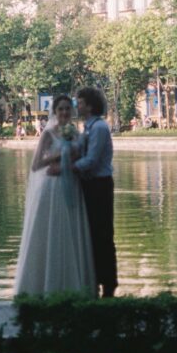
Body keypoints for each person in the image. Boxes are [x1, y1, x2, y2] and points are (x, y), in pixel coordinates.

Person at [13, 94, 96, 296]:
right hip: (51, 189)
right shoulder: (48, 134)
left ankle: (73, 286)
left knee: (71, 232)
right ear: (55, 112)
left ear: (72, 111)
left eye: (68, 108)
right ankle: (44, 286)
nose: (65, 112)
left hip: (72, 186)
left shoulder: (76, 133)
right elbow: (36, 165)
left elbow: (83, 159)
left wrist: (73, 159)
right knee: (51, 232)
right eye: (61, 109)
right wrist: (59, 155)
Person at [73, 87, 118, 298]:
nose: (77, 106)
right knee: (91, 234)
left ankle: (109, 283)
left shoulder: (99, 127)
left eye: (80, 103)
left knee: (103, 234)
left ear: (89, 105)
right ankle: (95, 281)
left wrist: (68, 168)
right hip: (90, 185)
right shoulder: (87, 127)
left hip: (100, 185)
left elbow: (92, 160)